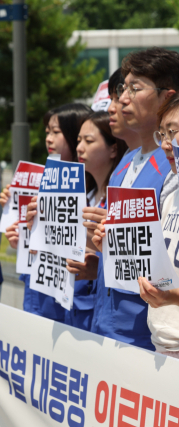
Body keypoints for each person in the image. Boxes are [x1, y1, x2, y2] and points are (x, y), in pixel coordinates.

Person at [89, 47, 179, 350]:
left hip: (145, 332)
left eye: (136, 88)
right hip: (105, 322)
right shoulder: (126, 161)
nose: (123, 98)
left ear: (167, 97)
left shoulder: (175, 166)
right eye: (123, 88)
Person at [4, 103, 92, 323]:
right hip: (37, 293)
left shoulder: (92, 187)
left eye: (56, 132)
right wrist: (21, 236)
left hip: (72, 301)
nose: (48, 139)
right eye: (47, 132)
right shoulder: (41, 179)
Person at [63, 111, 126, 330]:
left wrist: (99, 268)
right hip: (72, 310)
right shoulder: (83, 197)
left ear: (113, 148)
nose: (79, 148)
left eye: (89, 141)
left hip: (101, 314)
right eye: (78, 140)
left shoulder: (120, 202)